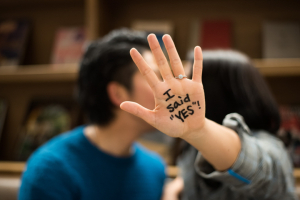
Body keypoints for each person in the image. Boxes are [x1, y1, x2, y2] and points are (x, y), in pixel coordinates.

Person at [120, 34, 298, 199]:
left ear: (214, 94)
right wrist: (175, 187)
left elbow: (255, 169)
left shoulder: (272, 150)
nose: (178, 88)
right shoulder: (193, 151)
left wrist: (199, 130)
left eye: (189, 79)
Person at [19, 29, 166, 200]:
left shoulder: (155, 169)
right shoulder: (52, 170)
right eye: (155, 77)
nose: (167, 89)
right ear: (118, 94)